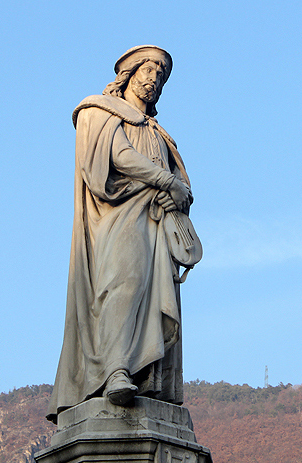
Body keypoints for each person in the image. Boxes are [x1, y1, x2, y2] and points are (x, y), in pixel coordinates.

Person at [47, 46, 193, 423]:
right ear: (129, 73)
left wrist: (178, 191)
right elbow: (119, 156)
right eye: (148, 70)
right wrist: (164, 180)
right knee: (122, 283)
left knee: (152, 292)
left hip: (156, 223)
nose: (154, 80)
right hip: (118, 218)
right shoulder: (100, 112)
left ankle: (146, 376)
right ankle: (115, 370)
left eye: (160, 75)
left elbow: (182, 187)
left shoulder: (160, 134)